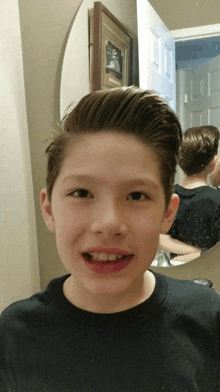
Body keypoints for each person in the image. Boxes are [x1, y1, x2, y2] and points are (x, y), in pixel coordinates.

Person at [1, 87, 220, 391]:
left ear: (167, 214)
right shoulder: (15, 334)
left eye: (136, 195)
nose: (109, 224)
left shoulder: (206, 317)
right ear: (49, 210)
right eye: (82, 193)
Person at [160, 125, 220, 261]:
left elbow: (162, 238)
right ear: (213, 161)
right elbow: (216, 253)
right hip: (209, 278)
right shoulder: (217, 200)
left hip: (175, 274)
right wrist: (200, 252)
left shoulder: (168, 194)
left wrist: (182, 258)